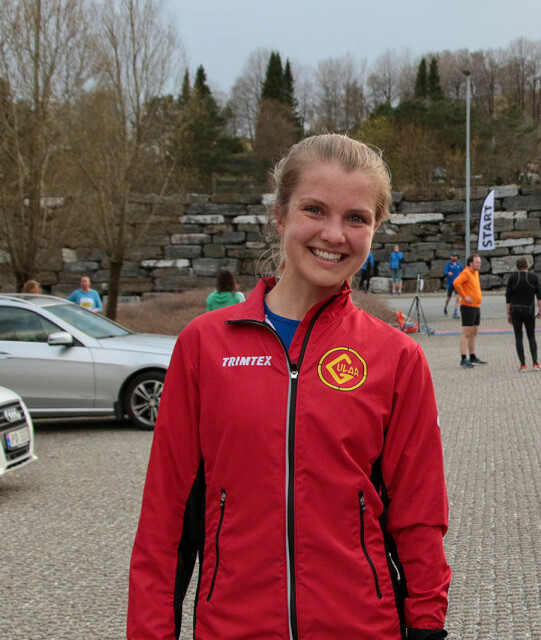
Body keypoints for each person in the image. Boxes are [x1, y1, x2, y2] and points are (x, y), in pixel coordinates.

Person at [128, 134, 451, 639]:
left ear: (375, 229)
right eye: (314, 210)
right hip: (232, 629)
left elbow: (419, 518)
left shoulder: (397, 357)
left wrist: (427, 627)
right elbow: (165, 522)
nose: (334, 234)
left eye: (356, 218)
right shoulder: (203, 346)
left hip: (363, 628)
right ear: (279, 217)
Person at [505, 257, 541, 372]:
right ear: (527, 266)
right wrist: (540, 311)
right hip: (529, 310)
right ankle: (535, 363)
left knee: (518, 337)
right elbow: (539, 296)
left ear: (517, 267)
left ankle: (523, 364)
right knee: (531, 336)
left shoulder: (512, 278)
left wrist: (508, 313)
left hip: (515, 310)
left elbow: (508, 297)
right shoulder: (533, 277)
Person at [453, 254, 486, 367]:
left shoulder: (476, 273)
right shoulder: (466, 273)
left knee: (474, 331)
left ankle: (472, 355)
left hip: (476, 306)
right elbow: (456, 283)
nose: (479, 264)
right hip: (468, 306)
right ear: (470, 263)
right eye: (477, 262)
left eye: (480, 262)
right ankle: (463, 358)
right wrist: (464, 296)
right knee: (466, 332)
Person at [443, 252, 464, 318]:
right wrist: (448, 273)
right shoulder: (448, 265)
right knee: (448, 297)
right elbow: (445, 271)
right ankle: (445, 307)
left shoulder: (459, 265)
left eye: (455, 256)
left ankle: (455, 312)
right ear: (451, 257)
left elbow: (462, 273)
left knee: (457, 297)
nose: (454, 257)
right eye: (453, 256)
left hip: (457, 284)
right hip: (450, 284)